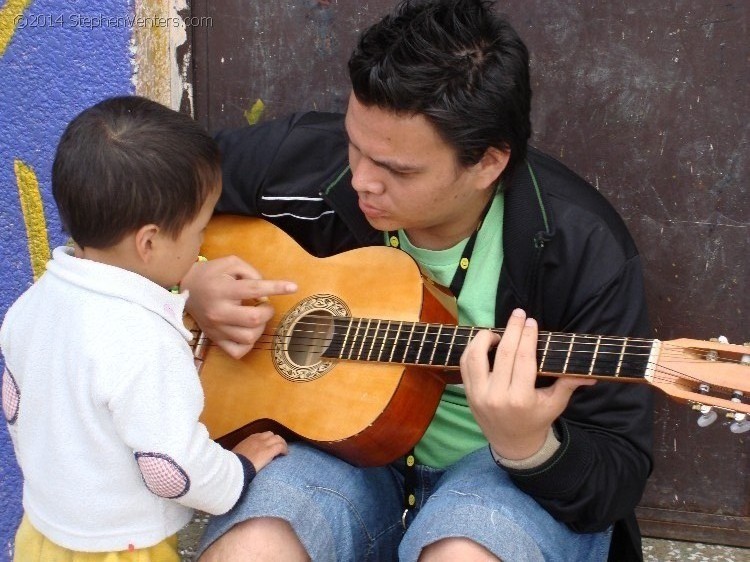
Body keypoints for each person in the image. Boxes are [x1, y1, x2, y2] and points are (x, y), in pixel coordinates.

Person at [183, 1, 654, 560]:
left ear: (487, 163)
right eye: (355, 144)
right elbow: (142, 201)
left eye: (398, 170)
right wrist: (189, 280)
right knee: (252, 548)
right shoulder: (306, 160)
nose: (360, 180)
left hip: (501, 480)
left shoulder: (582, 244)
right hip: (330, 459)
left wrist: (530, 448)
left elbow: (616, 474)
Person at [0, 96, 293, 561]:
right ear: (149, 242)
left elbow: (16, 406)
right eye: (199, 230)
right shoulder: (144, 339)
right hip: (126, 549)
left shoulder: (32, 304)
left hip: (41, 534)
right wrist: (239, 468)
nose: (203, 242)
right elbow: (173, 467)